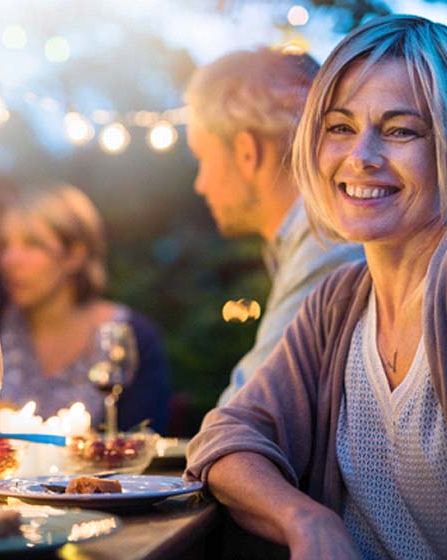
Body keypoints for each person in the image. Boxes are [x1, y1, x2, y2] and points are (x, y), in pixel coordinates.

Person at [186, 14, 447, 559]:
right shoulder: (341, 301)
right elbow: (226, 436)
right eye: (340, 127)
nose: (362, 157)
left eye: (401, 130)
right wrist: (304, 518)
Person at [185, 48, 364, 405]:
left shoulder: (328, 237)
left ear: (248, 152)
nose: (199, 184)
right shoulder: (303, 238)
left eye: (203, 158)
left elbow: (253, 406)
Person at [0, 184, 170, 433]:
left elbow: (144, 440)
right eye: (3, 246)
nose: (9, 260)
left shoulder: (133, 336)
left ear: (75, 255)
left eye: (32, 244)